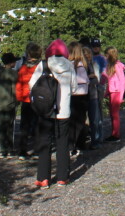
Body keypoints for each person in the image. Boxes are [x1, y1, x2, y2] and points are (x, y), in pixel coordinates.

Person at [29, 39, 76, 188]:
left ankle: (43, 178)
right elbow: (74, 88)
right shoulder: (70, 65)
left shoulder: (43, 64)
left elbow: (32, 84)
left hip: (45, 110)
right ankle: (62, 177)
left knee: (45, 142)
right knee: (62, 142)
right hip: (64, 110)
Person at [14, 42, 42, 159]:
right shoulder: (40, 68)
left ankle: (22, 151)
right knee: (37, 126)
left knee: (24, 126)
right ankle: (37, 150)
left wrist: (19, 98)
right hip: (37, 100)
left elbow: (18, 85)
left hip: (25, 100)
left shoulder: (23, 68)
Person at [67, 41, 91, 155]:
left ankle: (73, 145)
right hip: (81, 94)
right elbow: (84, 80)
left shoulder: (67, 64)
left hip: (72, 95)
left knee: (72, 121)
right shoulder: (82, 64)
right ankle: (75, 145)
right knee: (79, 122)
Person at [0, 52, 19, 158]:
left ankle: (2, 150)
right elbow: (15, 88)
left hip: (1, 101)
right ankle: (10, 148)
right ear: (11, 63)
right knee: (10, 126)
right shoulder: (14, 74)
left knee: (1, 126)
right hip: (11, 101)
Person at [103, 47, 125, 142]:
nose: (105, 56)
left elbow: (122, 81)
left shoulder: (117, 66)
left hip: (117, 92)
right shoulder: (110, 66)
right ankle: (114, 132)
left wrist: (121, 96)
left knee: (114, 114)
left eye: (106, 55)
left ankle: (116, 134)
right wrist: (107, 92)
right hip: (112, 91)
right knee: (112, 113)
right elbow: (110, 80)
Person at [87, 38, 106, 148]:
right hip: (91, 86)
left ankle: (99, 135)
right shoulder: (89, 58)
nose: (95, 48)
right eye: (94, 46)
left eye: (97, 46)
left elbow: (104, 71)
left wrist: (101, 83)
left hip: (99, 86)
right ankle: (93, 133)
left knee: (98, 110)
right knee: (94, 112)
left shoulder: (101, 58)